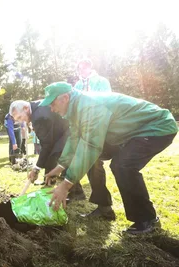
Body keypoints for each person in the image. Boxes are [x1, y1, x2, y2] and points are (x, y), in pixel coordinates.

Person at [41, 82, 178, 234]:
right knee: (93, 161)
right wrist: (60, 167)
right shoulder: (75, 110)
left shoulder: (89, 106)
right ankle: (104, 208)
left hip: (156, 126)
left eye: (52, 104)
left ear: (65, 98)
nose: (52, 109)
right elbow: (74, 139)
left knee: (122, 165)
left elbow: (90, 145)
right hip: (127, 133)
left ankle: (148, 220)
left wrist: (65, 185)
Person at [71, 58, 113, 203]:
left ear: (90, 67)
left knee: (95, 163)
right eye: (79, 69)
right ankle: (78, 192)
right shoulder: (77, 84)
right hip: (83, 126)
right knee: (85, 162)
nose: (81, 71)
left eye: (83, 68)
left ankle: (104, 204)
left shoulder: (101, 81)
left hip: (99, 125)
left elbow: (107, 101)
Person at [9, 100, 69, 186]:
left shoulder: (39, 118)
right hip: (59, 135)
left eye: (20, 117)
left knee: (60, 158)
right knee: (51, 157)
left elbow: (46, 145)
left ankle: (75, 191)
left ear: (26, 108)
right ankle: (48, 183)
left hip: (65, 136)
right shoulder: (36, 106)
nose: (21, 121)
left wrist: (36, 169)